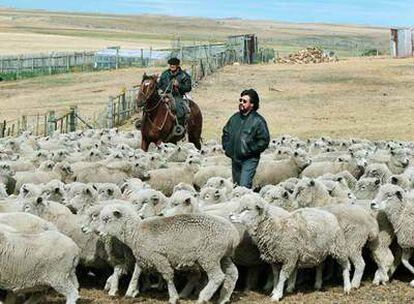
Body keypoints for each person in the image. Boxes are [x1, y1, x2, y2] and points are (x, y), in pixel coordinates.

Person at [222, 89, 270, 189]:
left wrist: (250, 149)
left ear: (252, 104)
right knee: (236, 188)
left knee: (244, 187)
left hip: (249, 159)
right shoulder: (234, 118)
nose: (241, 103)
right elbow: (226, 132)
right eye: (240, 100)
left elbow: (264, 140)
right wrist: (227, 147)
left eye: (244, 101)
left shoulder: (258, 121)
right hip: (235, 159)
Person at [157, 57, 192, 134]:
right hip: (163, 95)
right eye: (171, 64)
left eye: (174, 64)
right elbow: (159, 85)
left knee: (179, 108)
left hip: (177, 96)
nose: (172, 66)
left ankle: (179, 127)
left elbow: (188, 88)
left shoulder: (184, 75)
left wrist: (178, 85)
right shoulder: (164, 74)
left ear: (178, 65)